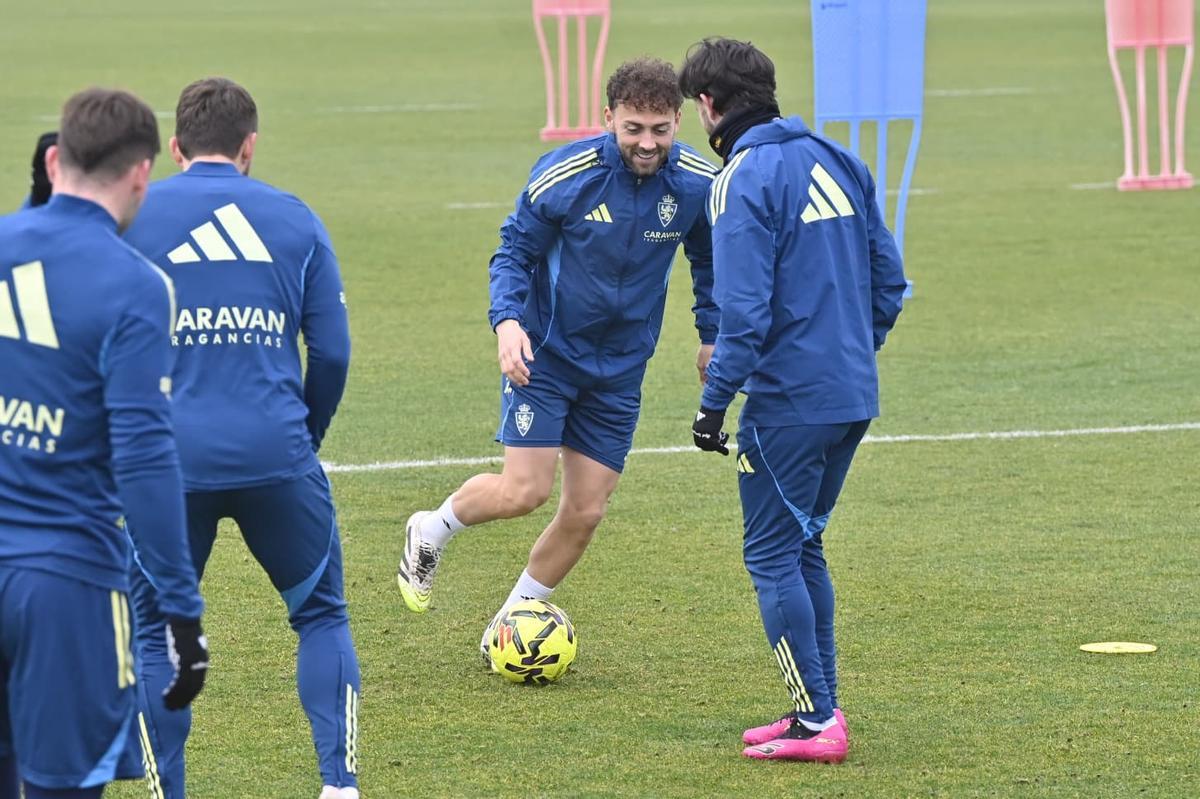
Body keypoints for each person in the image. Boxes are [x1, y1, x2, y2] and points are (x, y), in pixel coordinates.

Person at [397, 57, 721, 657]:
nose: (646, 143)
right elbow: (513, 253)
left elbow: (708, 261)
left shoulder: (699, 183)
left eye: (659, 129)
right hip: (544, 355)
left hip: (620, 369)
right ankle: (431, 528)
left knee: (586, 510)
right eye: (633, 129)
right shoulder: (566, 175)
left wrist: (710, 333)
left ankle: (512, 624)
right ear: (609, 120)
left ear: (678, 121)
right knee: (525, 492)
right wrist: (508, 324)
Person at [122, 77, 359, 799]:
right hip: (276, 455)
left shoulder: (132, 217)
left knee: (156, 631)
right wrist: (304, 433)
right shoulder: (294, 217)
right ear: (250, 146)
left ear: (174, 147)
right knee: (320, 614)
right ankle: (339, 785)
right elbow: (335, 351)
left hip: (164, 467)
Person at [680, 37, 907, 763]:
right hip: (850, 394)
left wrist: (713, 405)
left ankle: (816, 719)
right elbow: (889, 281)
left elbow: (742, 316)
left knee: (771, 554)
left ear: (709, 106)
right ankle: (819, 707)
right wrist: (847, 357)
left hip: (789, 402)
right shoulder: (839, 158)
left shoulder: (740, 179)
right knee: (803, 541)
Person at [0, 88, 208, 798]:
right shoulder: (135, 286)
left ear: (54, 159)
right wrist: (181, 609)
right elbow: (146, 459)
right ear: (143, 173)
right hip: (66, 587)